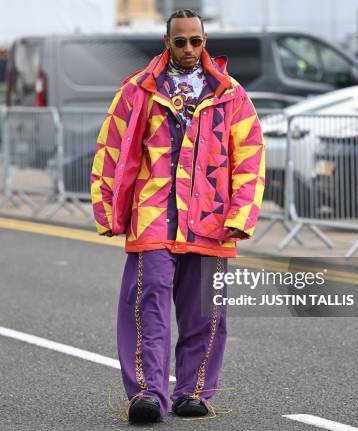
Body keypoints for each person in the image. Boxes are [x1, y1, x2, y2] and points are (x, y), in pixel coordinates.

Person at [90, 9, 265, 424]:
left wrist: (241, 213)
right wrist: (108, 208)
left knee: (206, 311)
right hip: (152, 217)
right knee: (145, 304)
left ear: (205, 42)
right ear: (167, 42)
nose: (188, 49)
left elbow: (250, 158)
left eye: (196, 41)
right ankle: (147, 394)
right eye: (180, 41)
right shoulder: (137, 90)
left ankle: (194, 392)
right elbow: (110, 149)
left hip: (211, 219)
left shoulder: (230, 93)